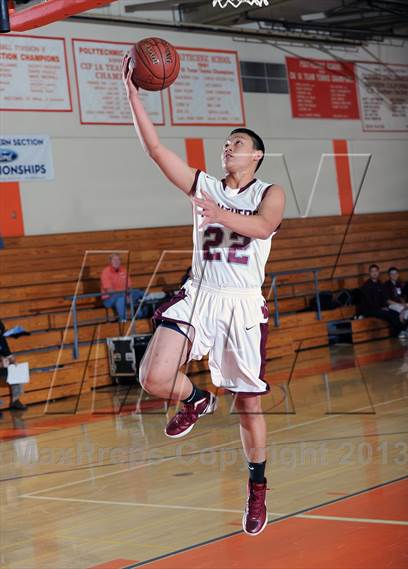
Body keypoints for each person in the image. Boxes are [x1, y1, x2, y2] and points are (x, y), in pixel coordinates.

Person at [123, 55, 285, 536]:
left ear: (255, 156)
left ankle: (257, 487)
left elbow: (262, 227)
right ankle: (194, 399)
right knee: (152, 378)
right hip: (201, 293)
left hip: (240, 302)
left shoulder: (268, 191)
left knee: (249, 404)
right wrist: (133, 92)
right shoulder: (206, 185)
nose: (227, 148)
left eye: (236, 144)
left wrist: (216, 214)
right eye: (225, 144)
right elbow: (155, 150)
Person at [359, 265, 408, 338]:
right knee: (388, 314)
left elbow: (383, 298)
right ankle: (402, 331)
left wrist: (384, 306)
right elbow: (369, 302)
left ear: (378, 272)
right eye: (372, 271)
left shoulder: (380, 284)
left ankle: (398, 332)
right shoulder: (366, 286)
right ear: (369, 273)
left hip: (379, 308)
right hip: (369, 309)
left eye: (376, 271)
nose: (374, 273)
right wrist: (380, 308)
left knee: (394, 312)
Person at [100, 254, 145, 321]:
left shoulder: (123, 270)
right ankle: (123, 320)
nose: (117, 261)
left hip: (125, 295)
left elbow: (129, 286)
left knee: (140, 293)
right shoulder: (105, 272)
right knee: (121, 298)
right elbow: (110, 290)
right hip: (109, 299)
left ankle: (141, 316)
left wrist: (128, 295)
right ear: (110, 261)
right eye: (114, 260)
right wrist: (125, 296)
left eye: (118, 259)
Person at [0, 320, 27, 412]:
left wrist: (13, 360)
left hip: (2, 367)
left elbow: (8, 354)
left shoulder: (2, 339)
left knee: (17, 372)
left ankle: (15, 401)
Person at [384, 267, 408, 335]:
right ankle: (405, 327)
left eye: (395, 273)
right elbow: (387, 300)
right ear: (389, 275)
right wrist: (401, 306)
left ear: (398, 274)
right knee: (403, 310)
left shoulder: (399, 284)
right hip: (392, 304)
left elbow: (401, 297)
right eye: (392, 274)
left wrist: (404, 304)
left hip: (399, 304)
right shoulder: (386, 285)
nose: (394, 275)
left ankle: (406, 323)